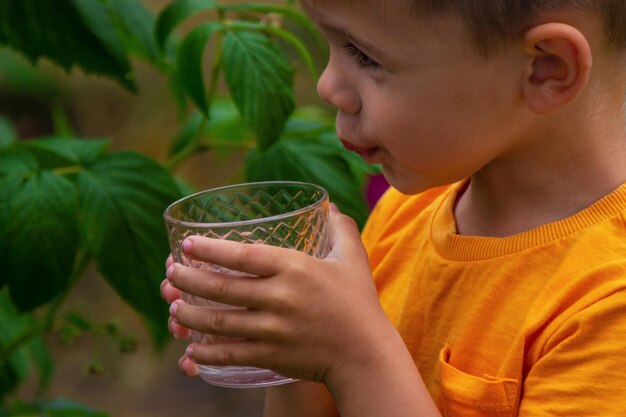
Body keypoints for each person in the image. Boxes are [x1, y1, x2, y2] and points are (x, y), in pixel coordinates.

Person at [161, 0, 626, 415]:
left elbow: (357, 364)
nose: (327, 86)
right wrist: (294, 347)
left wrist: (356, 356)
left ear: (546, 68)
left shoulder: (609, 304)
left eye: (364, 55)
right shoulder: (408, 213)